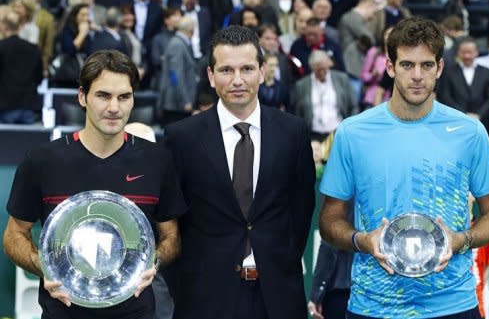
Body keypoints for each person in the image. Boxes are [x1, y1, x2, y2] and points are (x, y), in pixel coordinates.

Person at [318, 17, 489, 319]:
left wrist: (462, 240)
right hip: (373, 305)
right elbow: (329, 221)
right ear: (390, 67)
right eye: (407, 65)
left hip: (453, 303)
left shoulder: (469, 132)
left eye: (426, 65)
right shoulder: (353, 133)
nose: (417, 75)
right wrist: (362, 241)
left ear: (440, 67)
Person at [2, 50, 185, 319]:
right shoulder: (42, 160)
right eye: (103, 95)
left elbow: (172, 238)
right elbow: (14, 234)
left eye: (124, 97)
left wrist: (152, 263)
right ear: (82, 96)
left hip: (136, 313)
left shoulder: (157, 160)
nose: (114, 107)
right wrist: (43, 265)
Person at [165, 25, 316, 319]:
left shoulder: (293, 132)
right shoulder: (181, 137)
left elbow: (301, 210)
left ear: (262, 72)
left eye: (246, 69)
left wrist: (277, 262)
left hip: (277, 295)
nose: (237, 80)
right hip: (203, 297)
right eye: (226, 70)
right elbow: (174, 219)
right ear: (210, 76)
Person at [293, 49, 357, 141]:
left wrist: (349, 127)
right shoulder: (301, 85)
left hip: (338, 133)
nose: (322, 72)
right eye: (318, 70)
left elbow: (353, 106)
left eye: (324, 69)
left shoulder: (342, 79)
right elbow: (297, 112)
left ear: (329, 65)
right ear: (312, 68)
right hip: (312, 135)